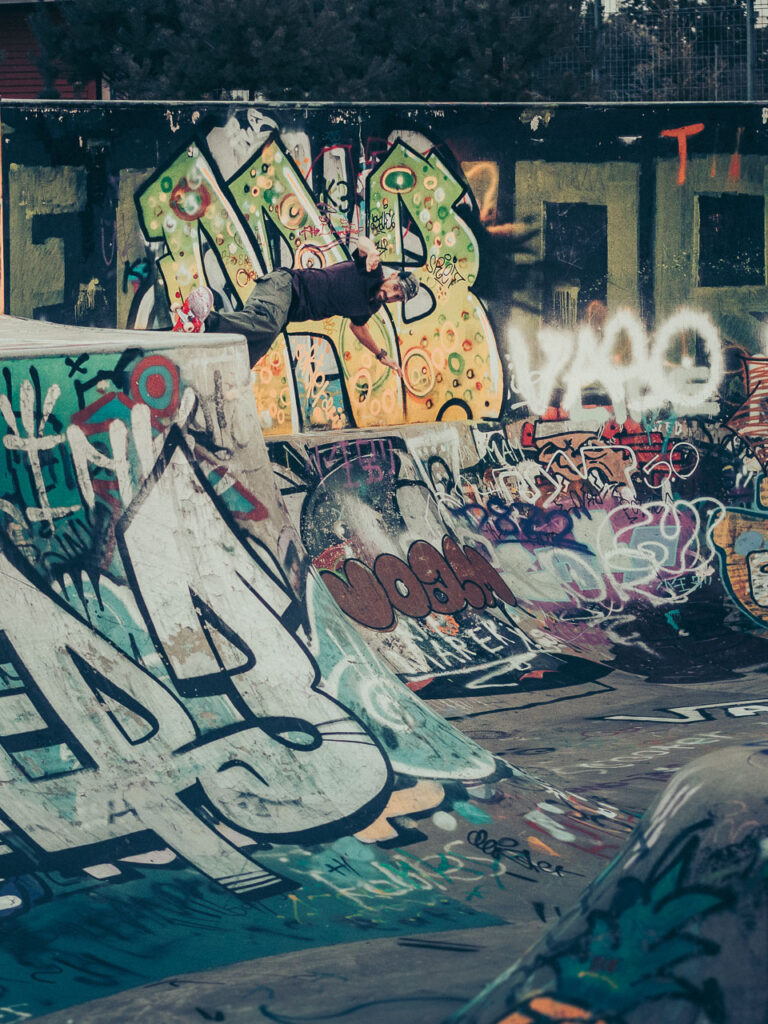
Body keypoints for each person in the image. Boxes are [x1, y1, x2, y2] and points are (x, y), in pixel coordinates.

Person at [183, 237, 418, 376]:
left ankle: (198, 354)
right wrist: (372, 252)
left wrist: (381, 355)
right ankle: (203, 321)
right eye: (395, 289)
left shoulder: (369, 307)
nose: (391, 296)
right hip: (284, 286)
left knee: (248, 353)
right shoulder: (371, 271)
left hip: (285, 310)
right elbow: (363, 242)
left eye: (397, 298)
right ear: (393, 276)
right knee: (266, 324)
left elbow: (359, 329)